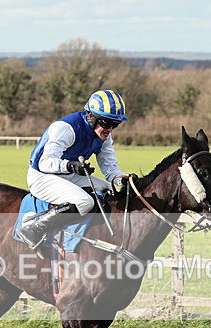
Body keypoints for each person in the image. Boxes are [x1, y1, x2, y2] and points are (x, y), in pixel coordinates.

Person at [17, 89, 132, 250]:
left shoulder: (104, 135)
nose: (110, 129)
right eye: (106, 123)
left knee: (108, 189)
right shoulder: (66, 128)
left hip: (68, 175)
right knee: (85, 202)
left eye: (115, 124)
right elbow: (44, 162)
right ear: (91, 116)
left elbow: (110, 167)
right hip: (42, 176)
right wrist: (69, 165)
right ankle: (34, 229)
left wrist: (122, 180)